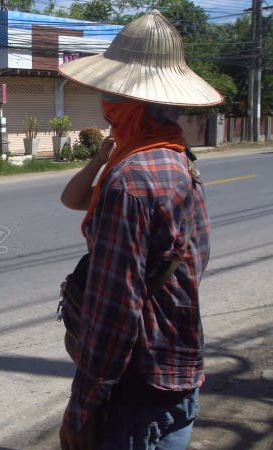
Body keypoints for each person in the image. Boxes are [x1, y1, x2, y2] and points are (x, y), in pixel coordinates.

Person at [56, 11, 220, 450]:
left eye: (111, 95)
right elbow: (195, 261)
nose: (104, 104)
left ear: (128, 103)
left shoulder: (130, 180)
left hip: (136, 392)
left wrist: (82, 408)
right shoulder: (180, 162)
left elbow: (115, 311)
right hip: (181, 374)